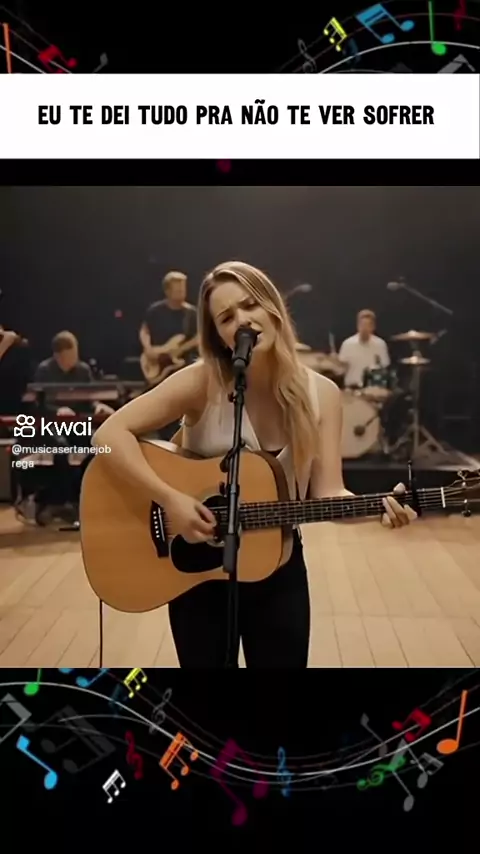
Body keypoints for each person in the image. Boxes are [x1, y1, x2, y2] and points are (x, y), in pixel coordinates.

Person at [93, 262, 417, 669]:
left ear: (272, 307)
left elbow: (329, 492)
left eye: (250, 306)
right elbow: (107, 435)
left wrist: (378, 509)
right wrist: (170, 499)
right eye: (226, 318)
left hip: (277, 566)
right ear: (219, 335)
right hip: (197, 572)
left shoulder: (323, 394)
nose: (242, 321)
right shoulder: (201, 381)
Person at [22, 331, 114, 524]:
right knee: (61, 447)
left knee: (97, 444)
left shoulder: (83, 370)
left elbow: (90, 398)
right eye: (69, 356)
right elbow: (36, 405)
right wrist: (58, 410)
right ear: (58, 356)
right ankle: (58, 500)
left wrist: (97, 405)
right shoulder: (44, 370)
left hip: (75, 425)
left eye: (75, 354)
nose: (74, 359)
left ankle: (78, 495)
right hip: (49, 425)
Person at [139, 270, 198, 438]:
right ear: (167, 291)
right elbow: (145, 330)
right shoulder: (155, 311)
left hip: (182, 366)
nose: (181, 292)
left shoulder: (191, 313)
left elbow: (199, 337)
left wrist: (181, 349)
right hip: (159, 365)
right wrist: (148, 348)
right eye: (177, 289)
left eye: (183, 288)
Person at [338, 309, 390, 388]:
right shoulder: (347, 344)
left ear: (373, 327)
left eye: (367, 325)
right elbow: (340, 368)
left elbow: (384, 366)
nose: (364, 329)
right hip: (352, 387)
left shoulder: (380, 344)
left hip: (372, 388)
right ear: (357, 326)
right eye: (362, 325)